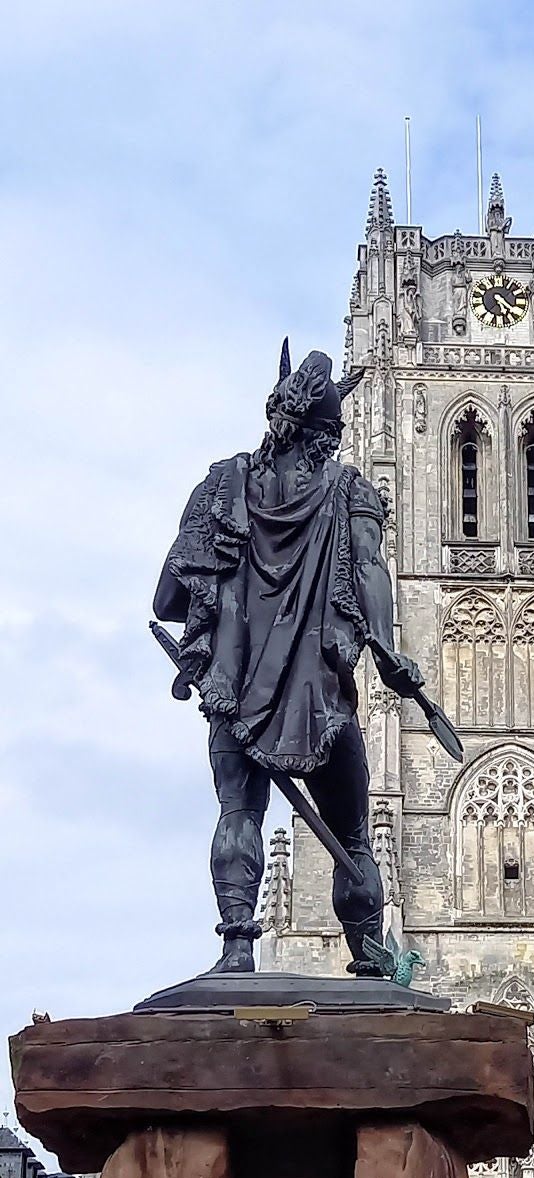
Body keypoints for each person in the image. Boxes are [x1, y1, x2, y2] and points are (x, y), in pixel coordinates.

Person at [153, 347, 424, 976]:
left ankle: (236, 947)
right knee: (352, 836)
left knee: (238, 812)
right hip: (317, 701)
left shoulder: (221, 487)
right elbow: (370, 571)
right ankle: (370, 960)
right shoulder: (349, 491)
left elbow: (167, 597)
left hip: (234, 694)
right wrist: (386, 650)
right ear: (326, 436)